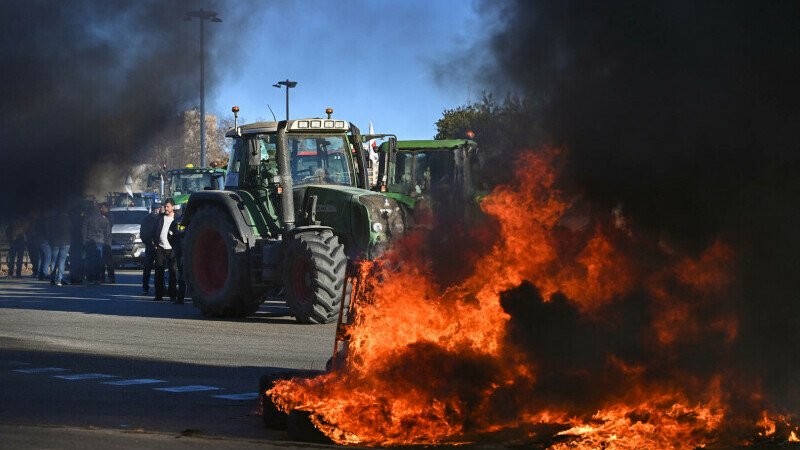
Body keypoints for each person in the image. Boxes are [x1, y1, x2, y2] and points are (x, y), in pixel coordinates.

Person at [150, 199, 178, 301]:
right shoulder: (160, 218)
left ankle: (173, 295)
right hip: (160, 248)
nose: (166, 208)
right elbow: (154, 230)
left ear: (173, 207)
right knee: (159, 272)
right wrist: (154, 241)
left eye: (168, 207)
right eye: (165, 207)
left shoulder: (177, 219)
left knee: (172, 272)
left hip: (172, 249)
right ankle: (159, 295)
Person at [82, 201, 107, 285]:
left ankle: (91, 278)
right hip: (100, 241)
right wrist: (104, 238)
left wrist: (84, 240)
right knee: (98, 260)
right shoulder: (102, 218)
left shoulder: (88, 217)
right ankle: (98, 278)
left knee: (90, 260)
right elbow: (107, 228)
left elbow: (84, 229)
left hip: (90, 241)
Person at [139, 204, 160, 295]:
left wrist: (147, 242)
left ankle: (145, 287)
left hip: (149, 246)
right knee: (159, 268)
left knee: (147, 268)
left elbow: (142, 233)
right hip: (157, 246)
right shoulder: (159, 219)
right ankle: (159, 287)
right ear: (157, 209)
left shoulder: (145, 219)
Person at [48, 208, 71, 286]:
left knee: (54, 261)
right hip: (65, 242)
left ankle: (52, 279)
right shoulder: (67, 220)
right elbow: (71, 229)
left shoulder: (53, 221)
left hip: (55, 242)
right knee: (62, 261)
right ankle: (60, 279)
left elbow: (49, 231)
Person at [69, 205, 86, 284]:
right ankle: (79, 275)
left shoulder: (71, 220)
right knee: (80, 260)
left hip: (73, 241)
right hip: (80, 242)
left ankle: (73, 275)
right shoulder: (82, 220)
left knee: (73, 260)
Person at [99, 203, 115, 283]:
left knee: (108, 261)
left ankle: (111, 277)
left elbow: (108, 226)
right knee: (101, 260)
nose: (100, 209)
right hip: (101, 240)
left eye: (102, 208)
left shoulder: (109, 216)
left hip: (107, 241)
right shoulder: (101, 216)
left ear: (106, 208)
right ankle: (102, 277)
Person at [36, 210, 52, 280]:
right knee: (47, 258)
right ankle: (45, 273)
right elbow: (47, 232)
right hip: (45, 241)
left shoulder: (38, 221)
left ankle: (39, 274)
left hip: (38, 241)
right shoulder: (46, 222)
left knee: (41, 258)